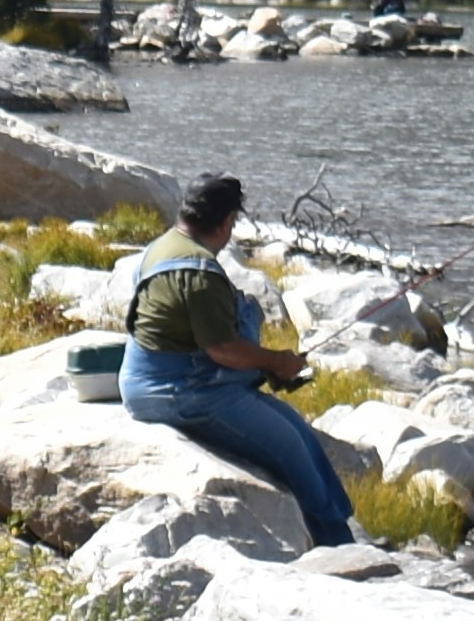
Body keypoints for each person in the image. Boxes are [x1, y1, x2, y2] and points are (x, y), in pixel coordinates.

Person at [107, 174, 356, 549]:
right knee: (289, 447)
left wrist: (268, 367)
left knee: (297, 428)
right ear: (225, 223)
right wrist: (277, 360)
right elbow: (223, 350)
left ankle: (340, 523)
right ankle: (337, 544)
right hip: (179, 390)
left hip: (159, 379)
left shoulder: (162, 246)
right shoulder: (200, 273)